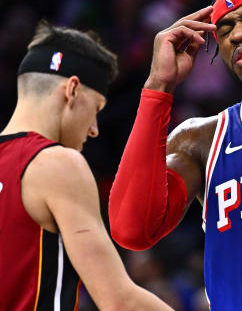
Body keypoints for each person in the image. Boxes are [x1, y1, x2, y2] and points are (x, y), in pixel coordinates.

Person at [108, 0, 242, 310]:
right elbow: (131, 229)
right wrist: (159, 86)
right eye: (226, 27)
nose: (238, 34)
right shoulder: (201, 139)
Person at [0, 22, 172, 310]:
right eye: (97, 109)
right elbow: (118, 301)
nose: (94, 129)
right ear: (73, 89)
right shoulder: (56, 163)